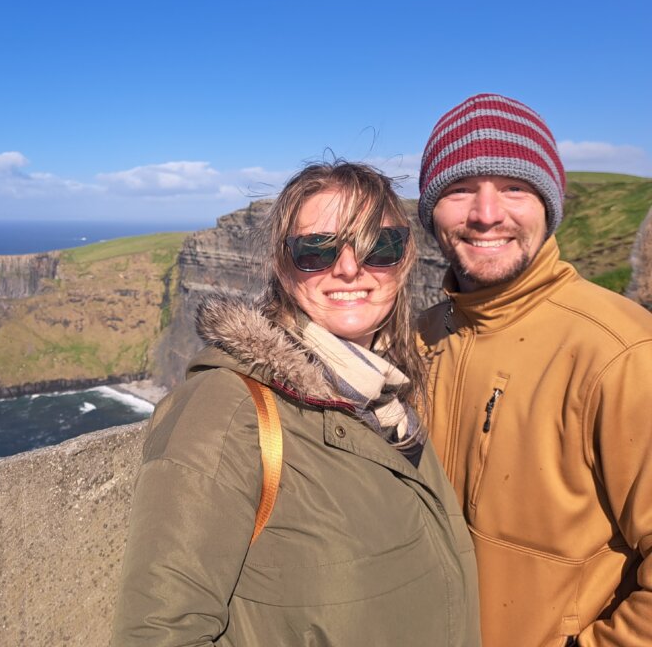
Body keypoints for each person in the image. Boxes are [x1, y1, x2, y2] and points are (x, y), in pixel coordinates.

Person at [111, 161, 481, 646]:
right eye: (316, 251)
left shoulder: (387, 395)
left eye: (378, 246)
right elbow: (160, 634)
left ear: (406, 257)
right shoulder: (225, 410)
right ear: (283, 267)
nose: (349, 268)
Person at [416, 93, 652, 647]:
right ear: (430, 212)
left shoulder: (621, 350)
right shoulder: (417, 338)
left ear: (548, 204)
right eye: (459, 189)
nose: (486, 213)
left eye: (514, 187)